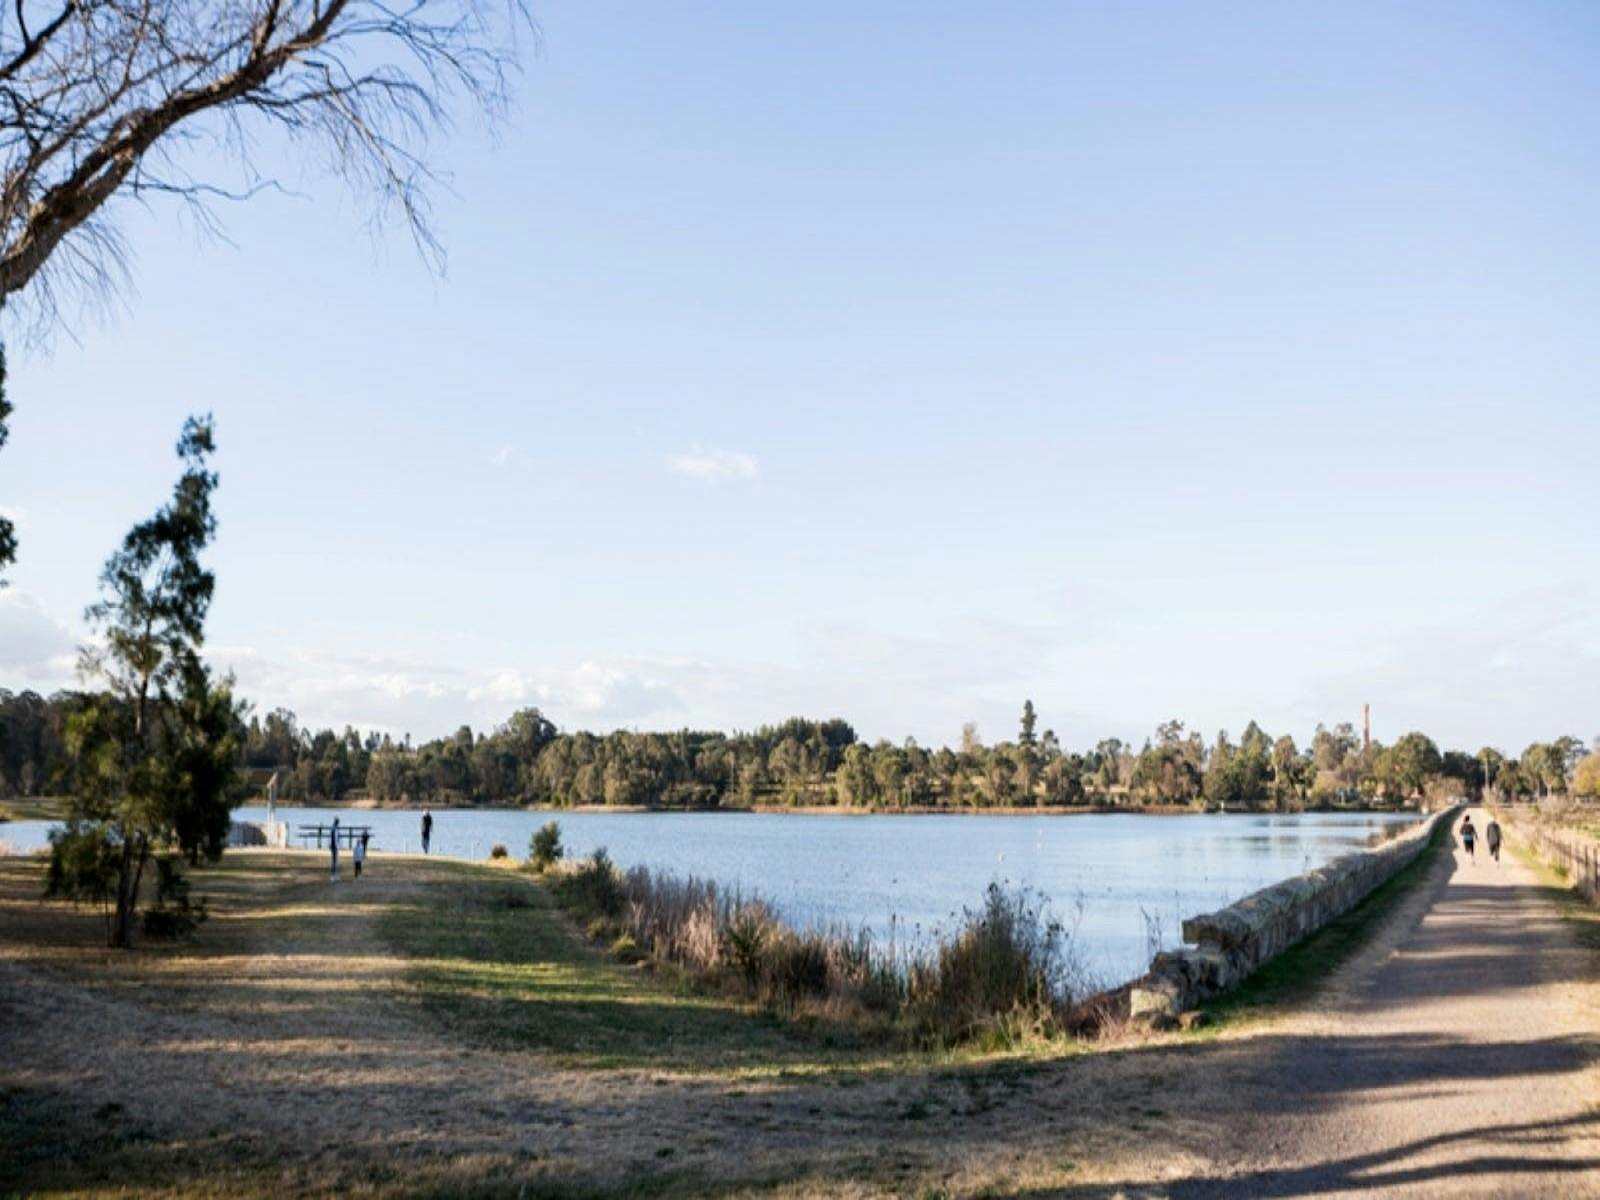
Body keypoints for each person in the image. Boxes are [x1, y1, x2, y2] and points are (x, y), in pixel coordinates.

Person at [329, 816, 341, 881]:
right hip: (334, 847)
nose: (338, 823)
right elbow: (334, 839)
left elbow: (337, 838)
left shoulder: (335, 828)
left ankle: (335, 875)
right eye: (338, 822)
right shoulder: (334, 829)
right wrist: (336, 846)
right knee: (334, 861)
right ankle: (333, 876)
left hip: (335, 847)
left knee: (335, 861)